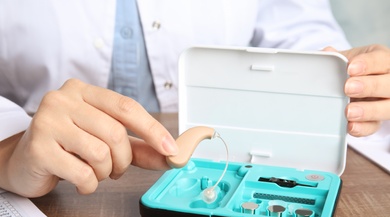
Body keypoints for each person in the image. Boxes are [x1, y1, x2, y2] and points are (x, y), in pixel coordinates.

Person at [0, 1, 389, 198]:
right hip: (45, 177)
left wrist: (335, 72)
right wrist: (8, 148)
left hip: (232, 158)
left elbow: (295, 26)